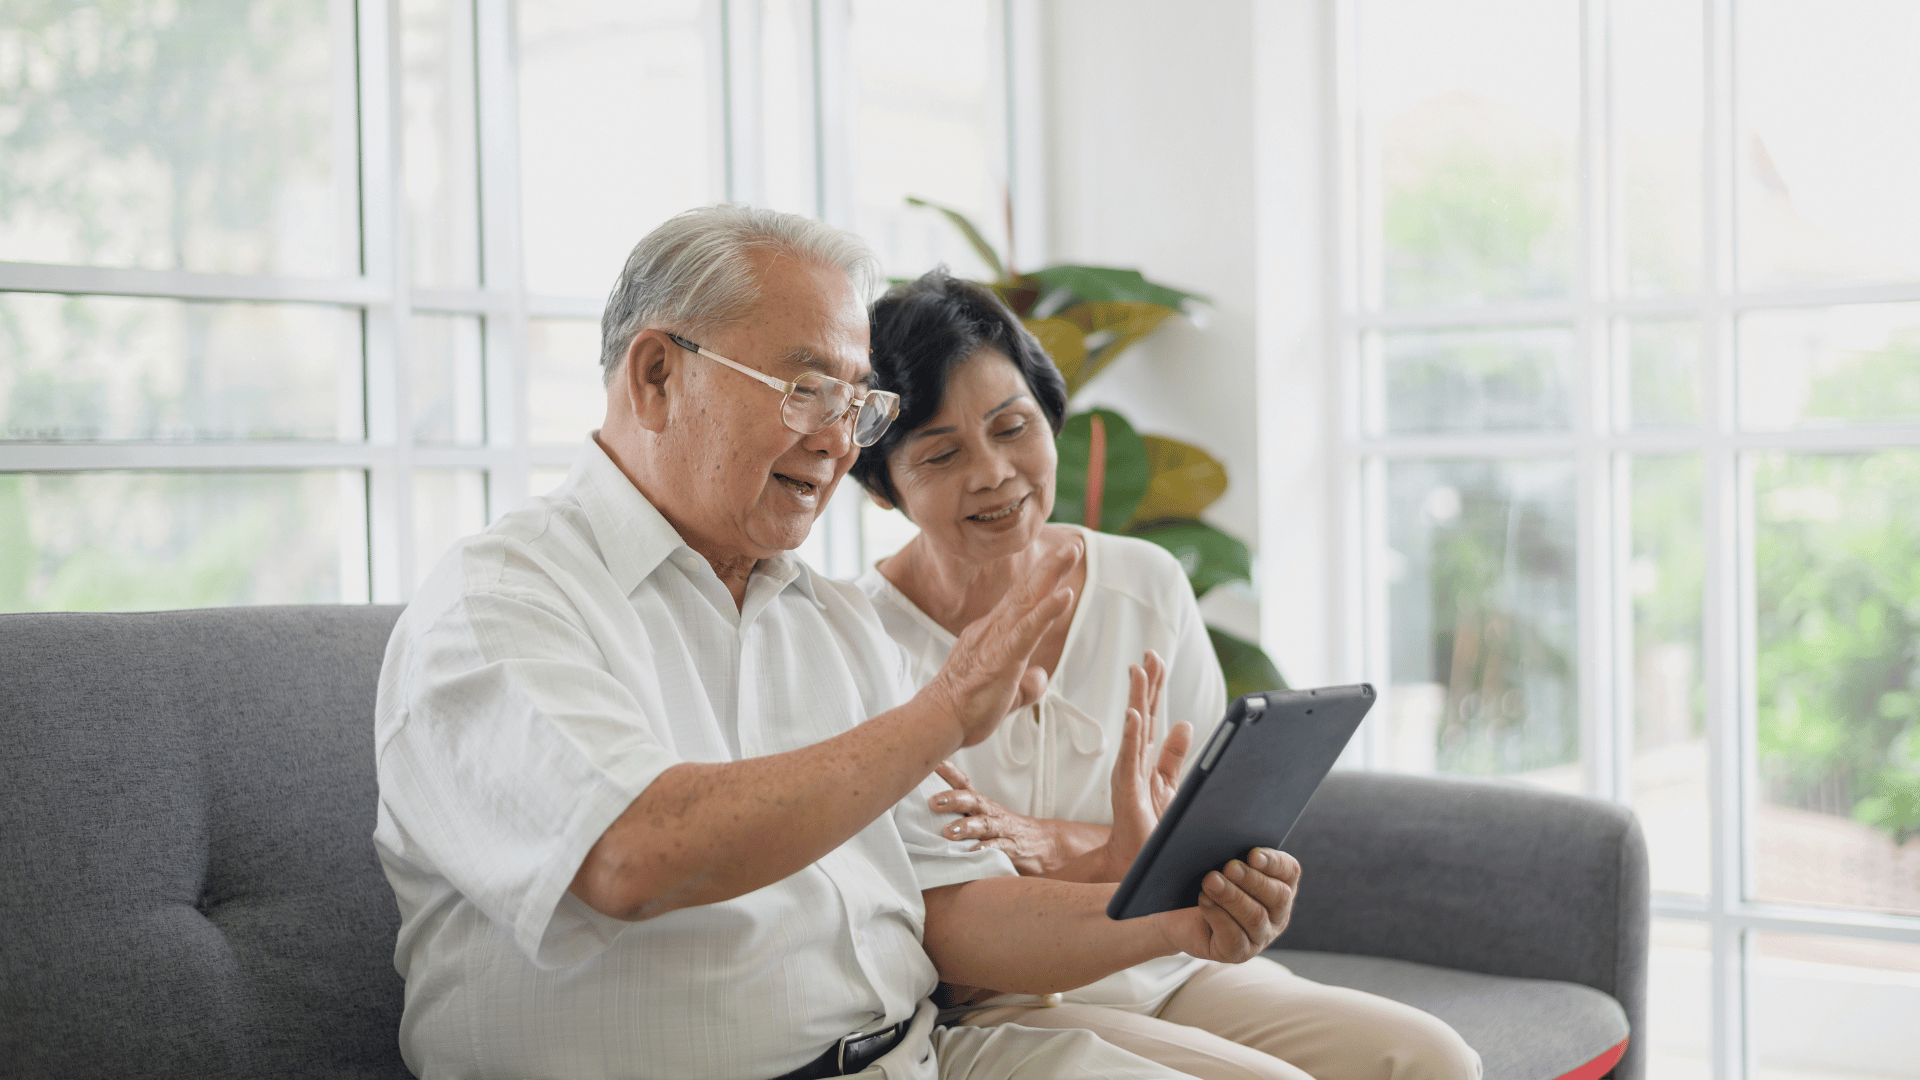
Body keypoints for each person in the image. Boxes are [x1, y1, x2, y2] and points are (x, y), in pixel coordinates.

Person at [372, 206, 1303, 1080]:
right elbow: (632, 853)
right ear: (658, 375)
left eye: (855, 405)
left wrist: (1175, 921)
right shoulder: (497, 601)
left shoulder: (829, 622)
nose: (837, 442)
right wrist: (941, 716)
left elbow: (957, 912)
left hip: (921, 1058)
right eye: (805, 389)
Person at [850, 269, 1483, 1080]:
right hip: (1001, 1003)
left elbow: (1195, 844)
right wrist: (1116, 854)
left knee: (1433, 1060)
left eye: (1014, 427)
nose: (994, 472)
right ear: (882, 486)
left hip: (1171, 969)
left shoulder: (1144, 582)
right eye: (941, 454)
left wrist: (1071, 850)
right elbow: (930, 933)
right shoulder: (859, 640)